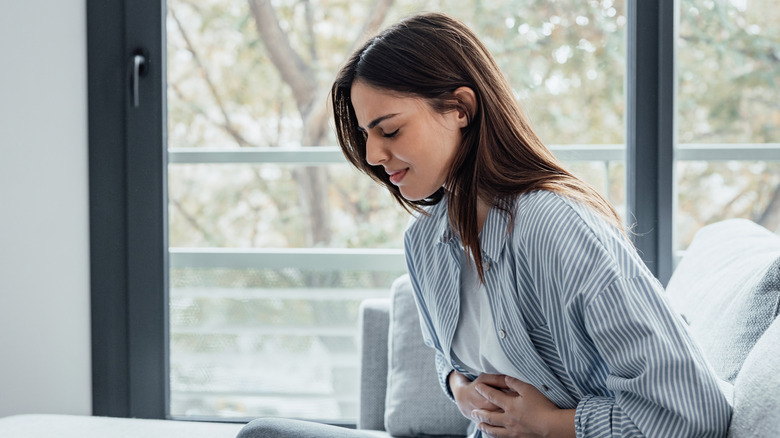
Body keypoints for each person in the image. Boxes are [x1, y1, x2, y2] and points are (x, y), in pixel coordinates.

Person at [239, 11, 732, 438]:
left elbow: (694, 414)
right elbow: (448, 358)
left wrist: (552, 425)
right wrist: (460, 387)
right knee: (263, 433)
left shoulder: (552, 227)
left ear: (460, 109)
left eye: (390, 130)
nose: (372, 155)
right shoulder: (426, 241)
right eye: (367, 135)